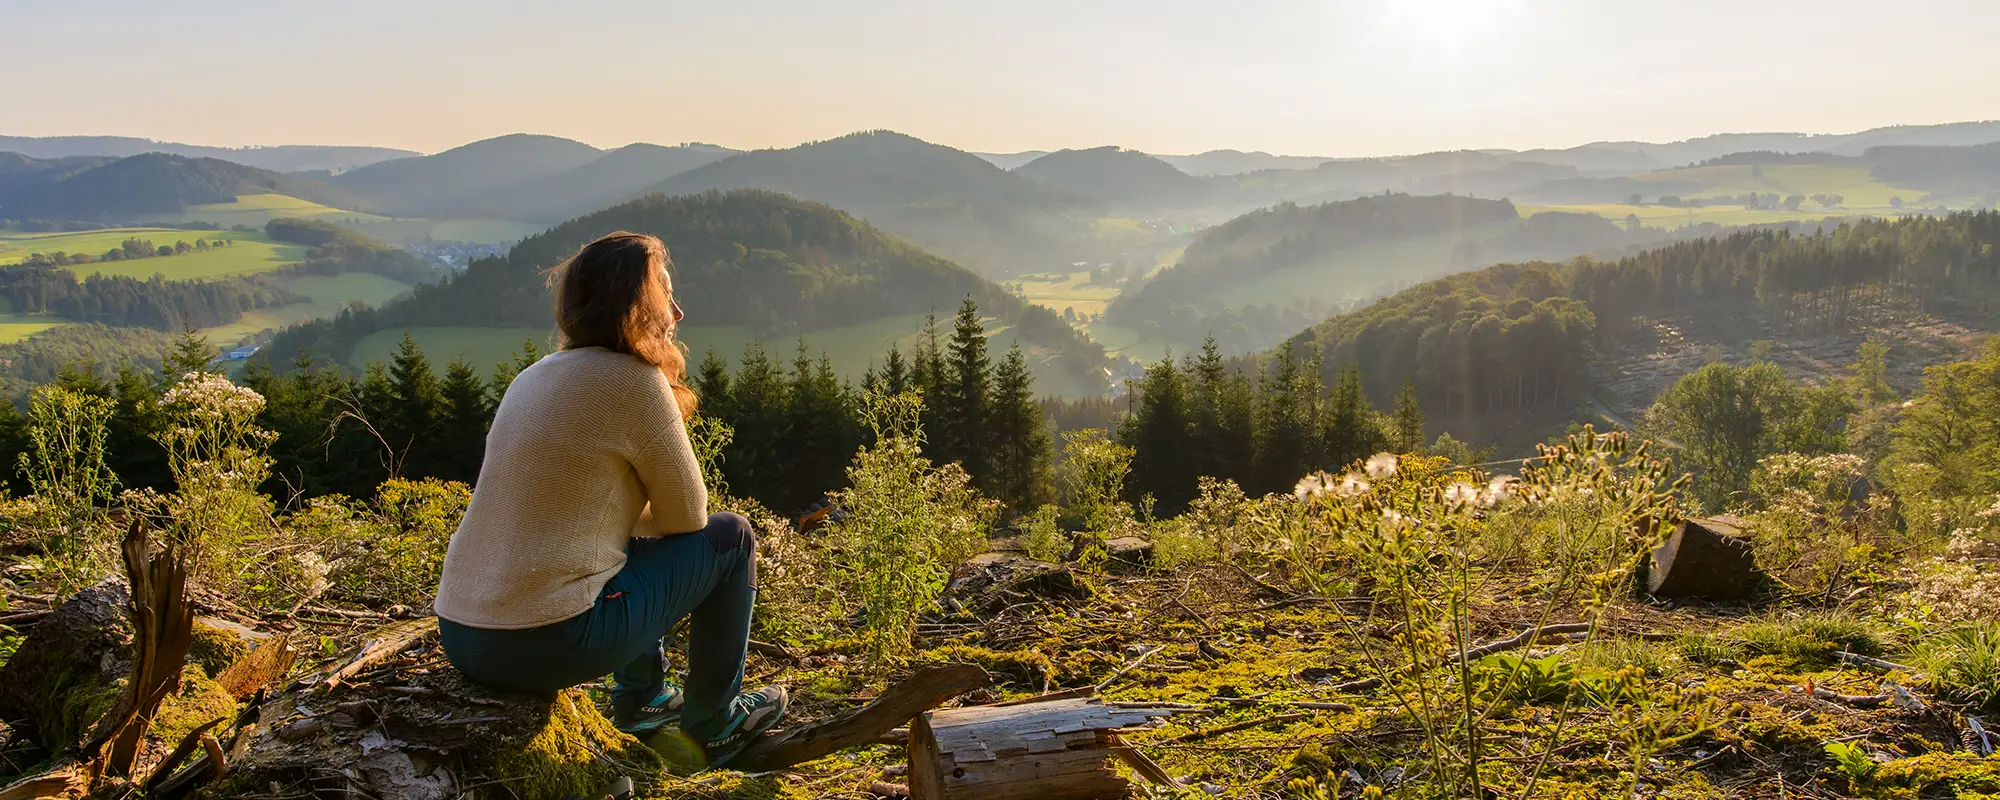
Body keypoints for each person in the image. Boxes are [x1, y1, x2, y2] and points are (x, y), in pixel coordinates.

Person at [434, 231, 786, 768]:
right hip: (545, 641)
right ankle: (716, 721)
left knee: (616, 538)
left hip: (461, 632)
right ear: (637, 305)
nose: (679, 310)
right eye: (666, 295)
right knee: (731, 536)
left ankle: (643, 701)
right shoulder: (633, 382)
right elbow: (689, 518)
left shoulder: (531, 377)